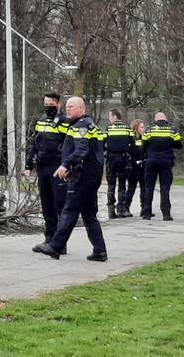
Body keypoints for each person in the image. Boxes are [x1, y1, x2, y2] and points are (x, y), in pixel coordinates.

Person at [32, 96, 107, 262]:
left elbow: (81, 150)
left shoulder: (80, 126)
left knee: (69, 210)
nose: (68, 109)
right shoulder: (90, 125)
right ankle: (100, 251)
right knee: (88, 214)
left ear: (82, 109)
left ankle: (55, 246)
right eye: (67, 107)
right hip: (91, 174)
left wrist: (65, 164)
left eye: (71, 107)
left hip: (83, 176)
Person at [24, 92, 69, 244]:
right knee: (46, 204)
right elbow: (33, 144)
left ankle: (60, 242)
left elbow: (68, 145)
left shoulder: (64, 122)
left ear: (58, 104)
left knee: (60, 205)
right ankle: (49, 238)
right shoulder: (40, 120)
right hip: (42, 167)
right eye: (46, 104)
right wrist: (28, 164)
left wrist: (66, 165)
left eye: (51, 105)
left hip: (57, 167)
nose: (48, 107)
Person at [140, 111, 182, 221]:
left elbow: (143, 145)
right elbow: (179, 145)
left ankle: (146, 213)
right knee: (165, 188)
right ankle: (166, 214)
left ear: (155, 119)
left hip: (151, 161)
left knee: (149, 187)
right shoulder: (172, 130)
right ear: (165, 119)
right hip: (166, 161)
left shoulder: (149, 130)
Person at [103, 109, 136, 219]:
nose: (109, 118)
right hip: (124, 159)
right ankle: (121, 209)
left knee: (111, 184)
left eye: (110, 116)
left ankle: (111, 210)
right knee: (122, 185)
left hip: (111, 159)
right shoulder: (127, 129)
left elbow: (102, 144)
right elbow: (133, 145)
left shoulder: (108, 128)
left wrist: (105, 152)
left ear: (114, 116)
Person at [127, 118, 146, 216]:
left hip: (143, 166)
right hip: (133, 166)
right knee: (131, 188)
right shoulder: (131, 139)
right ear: (136, 127)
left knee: (144, 188)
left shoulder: (144, 138)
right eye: (142, 127)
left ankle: (144, 209)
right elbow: (131, 152)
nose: (143, 129)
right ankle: (126, 207)